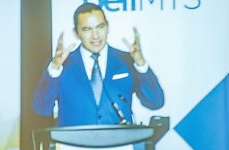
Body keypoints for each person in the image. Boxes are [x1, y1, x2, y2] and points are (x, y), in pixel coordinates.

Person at [33, 2, 164, 127]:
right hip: (74, 146)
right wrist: (55, 68)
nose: (95, 36)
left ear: (108, 27)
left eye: (100, 27)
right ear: (76, 33)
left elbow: (155, 102)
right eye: (87, 29)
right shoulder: (61, 65)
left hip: (120, 144)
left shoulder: (127, 60)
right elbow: (41, 109)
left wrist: (141, 64)